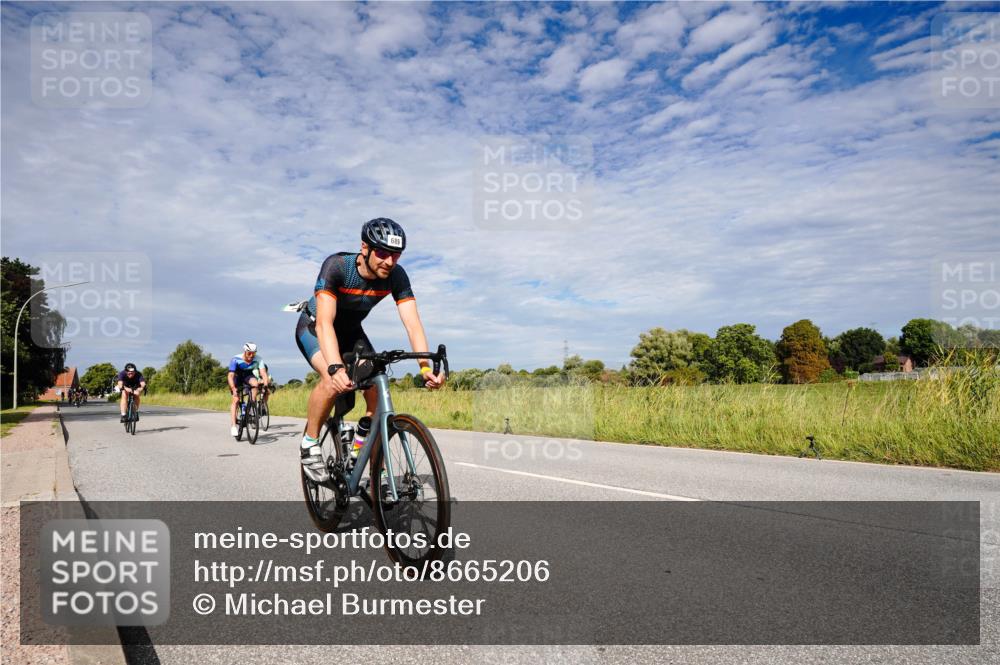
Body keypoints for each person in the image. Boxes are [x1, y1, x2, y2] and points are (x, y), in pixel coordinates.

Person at [295, 217, 445, 482]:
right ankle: (309, 443)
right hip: (315, 328)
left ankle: (361, 444)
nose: (389, 262)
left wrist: (424, 366)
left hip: (351, 333)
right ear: (365, 248)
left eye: (395, 256)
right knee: (332, 382)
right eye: (383, 253)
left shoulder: (396, 276)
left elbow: (412, 324)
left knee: (376, 387)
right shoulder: (337, 267)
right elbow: (325, 324)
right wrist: (335, 366)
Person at [228, 343, 269, 437]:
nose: (251, 356)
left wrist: (266, 386)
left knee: (256, 384)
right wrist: (234, 388)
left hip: (247, 375)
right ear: (245, 351)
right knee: (236, 399)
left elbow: (263, 373)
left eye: (253, 354)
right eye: (249, 353)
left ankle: (251, 404)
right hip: (236, 377)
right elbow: (230, 376)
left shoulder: (259, 359)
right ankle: (233, 426)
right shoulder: (236, 359)